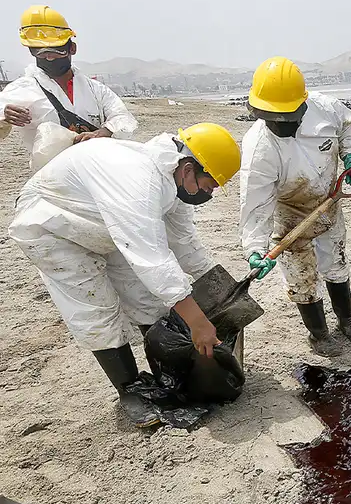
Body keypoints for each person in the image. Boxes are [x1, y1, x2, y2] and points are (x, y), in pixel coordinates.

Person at [8, 123, 242, 429]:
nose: (209, 194)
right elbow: (153, 260)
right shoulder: (139, 182)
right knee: (97, 307)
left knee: (145, 298)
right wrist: (198, 323)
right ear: (188, 169)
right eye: (209, 186)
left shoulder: (172, 181)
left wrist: (226, 292)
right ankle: (130, 390)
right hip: (53, 225)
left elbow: (185, 243)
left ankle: (169, 372)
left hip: (105, 224)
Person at [239, 56, 351, 354]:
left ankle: (347, 321)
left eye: (288, 116)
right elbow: (255, 204)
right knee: (301, 276)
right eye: (273, 118)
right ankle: (319, 334)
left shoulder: (327, 109)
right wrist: (255, 249)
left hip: (328, 201)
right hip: (289, 215)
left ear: (302, 105)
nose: (281, 124)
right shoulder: (259, 149)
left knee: (336, 262)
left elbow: (346, 128)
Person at [0, 5, 138, 167]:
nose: (49, 58)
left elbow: (123, 117)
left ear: (72, 48)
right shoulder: (22, 89)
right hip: (51, 175)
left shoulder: (95, 89)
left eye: (56, 51)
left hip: (96, 169)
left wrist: (103, 132)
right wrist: (4, 117)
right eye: (41, 52)